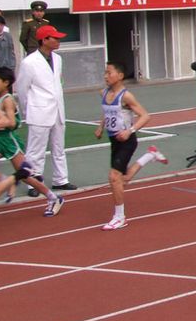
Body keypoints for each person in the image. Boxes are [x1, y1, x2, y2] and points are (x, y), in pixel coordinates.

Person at [94, 61, 168, 230]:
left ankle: (119, 217)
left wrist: (130, 131)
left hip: (127, 141)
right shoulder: (103, 93)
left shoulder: (126, 96)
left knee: (114, 177)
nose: (106, 76)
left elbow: (145, 116)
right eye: (104, 73)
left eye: (109, 73)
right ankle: (150, 154)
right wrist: (100, 127)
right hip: (114, 140)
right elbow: (107, 112)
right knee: (123, 179)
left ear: (120, 76)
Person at [16, 24, 76, 193]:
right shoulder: (29, 62)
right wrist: (28, 111)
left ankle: (61, 179)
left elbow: (58, 83)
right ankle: (33, 183)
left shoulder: (58, 59)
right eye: (54, 38)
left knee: (59, 148)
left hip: (57, 110)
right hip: (38, 111)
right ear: (44, 40)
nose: (58, 41)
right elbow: (22, 90)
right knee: (35, 151)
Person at [0, 67, 63, 214]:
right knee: (24, 174)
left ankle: (53, 197)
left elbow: (12, 123)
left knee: (25, 176)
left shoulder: (7, 100)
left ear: (6, 83)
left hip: (8, 142)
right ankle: (6, 179)